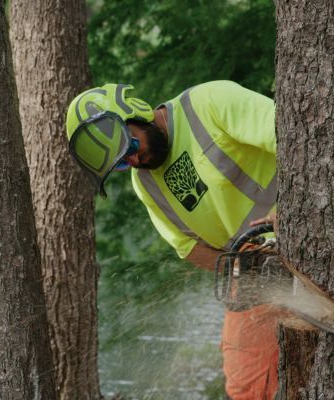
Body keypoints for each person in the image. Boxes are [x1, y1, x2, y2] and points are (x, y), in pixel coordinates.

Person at [66, 80, 280, 399]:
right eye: (123, 164)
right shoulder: (147, 185)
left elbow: (296, 140)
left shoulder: (209, 103)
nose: (135, 162)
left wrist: (288, 217)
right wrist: (242, 270)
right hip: (254, 268)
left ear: (135, 114)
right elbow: (188, 247)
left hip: (310, 226)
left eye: (131, 148)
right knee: (248, 386)